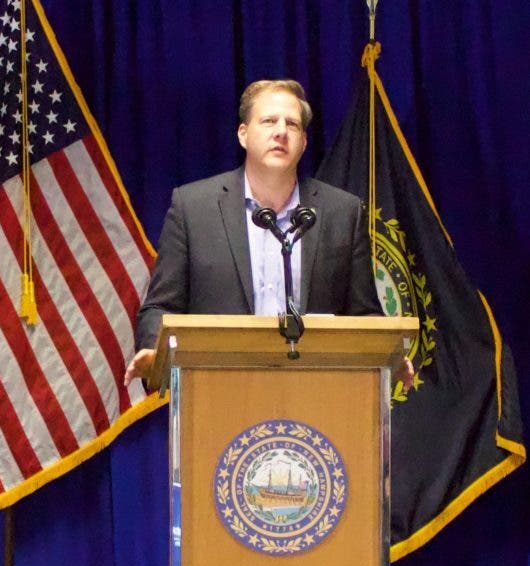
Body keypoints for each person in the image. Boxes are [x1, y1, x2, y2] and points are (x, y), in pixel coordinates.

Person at [124, 78, 412, 388]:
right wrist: (156, 351)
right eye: (268, 121)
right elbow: (160, 307)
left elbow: (363, 313)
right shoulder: (193, 208)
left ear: (303, 142)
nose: (280, 132)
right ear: (243, 134)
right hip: (220, 393)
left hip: (316, 396)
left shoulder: (342, 212)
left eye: (292, 124)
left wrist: (386, 354)